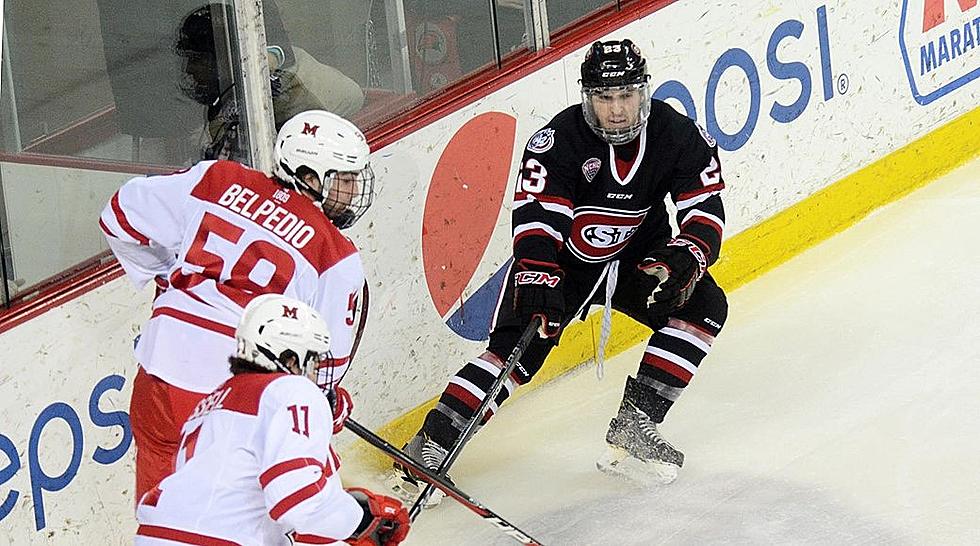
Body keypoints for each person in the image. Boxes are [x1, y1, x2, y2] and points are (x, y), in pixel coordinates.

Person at [389, 39, 728, 502]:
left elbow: (704, 204)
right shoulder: (559, 140)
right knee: (515, 354)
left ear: (643, 94)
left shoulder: (674, 133)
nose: (617, 110)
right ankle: (430, 444)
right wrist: (537, 273)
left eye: (626, 96)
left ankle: (636, 422)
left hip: (636, 257)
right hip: (561, 264)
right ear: (587, 98)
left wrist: (688, 252)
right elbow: (536, 217)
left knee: (705, 307)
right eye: (605, 98)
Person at [100, 109, 375, 503]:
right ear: (310, 178)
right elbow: (324, 369)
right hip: (235, 393)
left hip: (161, 370)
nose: (352, 192)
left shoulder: (216, 178)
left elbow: (118, 216)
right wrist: (330, 405)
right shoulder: (336, 255)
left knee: (163, 512)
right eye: (345, 179)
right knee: (270, 507)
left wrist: (168, 277)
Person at [134, 294, 410, 545]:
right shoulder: (290, 390)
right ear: (290, 360)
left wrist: (346, 511)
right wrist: (362, 521)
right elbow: (298, 503)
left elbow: (249, 502)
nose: (315, 374)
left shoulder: (212, 402)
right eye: (313, 361)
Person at [174, 1, 365, 161]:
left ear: (223, 60)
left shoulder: (278, 96)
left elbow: (353, 98)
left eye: (196, 59)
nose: (189, 69)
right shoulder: (220, 99)